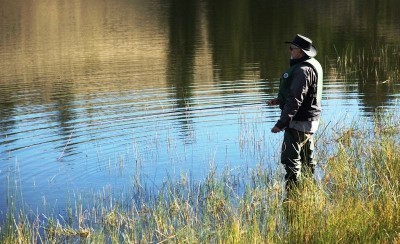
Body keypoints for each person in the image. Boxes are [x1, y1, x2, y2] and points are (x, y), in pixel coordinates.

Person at [268, 34, 323, 195]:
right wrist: (279, 100)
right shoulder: (311, 66)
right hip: (310, 121)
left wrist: (281, 123)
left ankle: (293, 196)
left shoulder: (302, 71)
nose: (290, 51)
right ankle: (308, 191)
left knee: (291, 160)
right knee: (307, 159)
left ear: (300, 52)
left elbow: (295, 100)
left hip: (298, 122)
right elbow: (304, 95)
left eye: (292, 48)